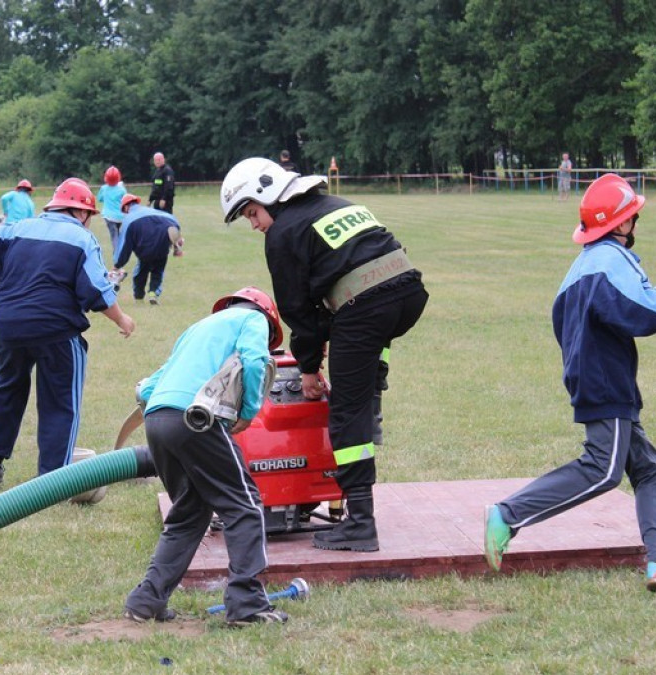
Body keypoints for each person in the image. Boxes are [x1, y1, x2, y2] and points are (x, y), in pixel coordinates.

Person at [483, 173, 656, 593]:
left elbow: (633, 300)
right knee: (602, 469)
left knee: (649, 470)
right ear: (622, 223)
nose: (636, 222)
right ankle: (508, 515)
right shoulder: (611, 260)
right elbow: (637, 310)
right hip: (605, 380)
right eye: (633, 215)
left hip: (596, 376)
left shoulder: (590, 262)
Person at [220, 157, 429, 552]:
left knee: (346, 414)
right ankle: (373, 381)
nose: (255, 225)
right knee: (364, 360)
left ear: (269, 195)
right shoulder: (334, 204)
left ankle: (361, 524)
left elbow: (297, 310)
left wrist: (309, 368)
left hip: (367, 308)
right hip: (408, 297)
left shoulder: (283, 233)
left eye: (252, 213)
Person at [0, 178, 136, 485]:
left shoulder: (15, 229)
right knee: (60, 400)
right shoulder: (82, 239)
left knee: (8, 386)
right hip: (55, 329)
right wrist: (121, 319)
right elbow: (96, 290)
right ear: (81, 212)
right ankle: (51, 481)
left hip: (7, 326)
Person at [124, 286, 288, 627]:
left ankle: (146, 601)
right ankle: (247, 605)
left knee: (189, 514)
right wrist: (248, 411)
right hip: (197, 417)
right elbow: (255, 361)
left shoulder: (198, 328)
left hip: (156, 417)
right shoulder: (253, 320)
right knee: (244, 505)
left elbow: (149, 386)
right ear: (267, 317)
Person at [111, 193, 184, 305]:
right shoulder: (153, 211)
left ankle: (139, 298)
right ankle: (153, 293)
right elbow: (172, 220)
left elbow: (124, 246)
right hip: (163, 242)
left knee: (140, 273)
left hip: (144, 250)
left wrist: (118, 264)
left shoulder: (129, 220)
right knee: (158, 271)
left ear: (126, 207)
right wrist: (177, 241)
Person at [97, 166, 127, 254]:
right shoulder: (122, 189)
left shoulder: (104, 188)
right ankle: (120, 250)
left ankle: (117, 254)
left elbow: (99, 199)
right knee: (117, 233)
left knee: (114, 235)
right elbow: (125, 200)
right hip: (120, 217)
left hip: (109, 217)